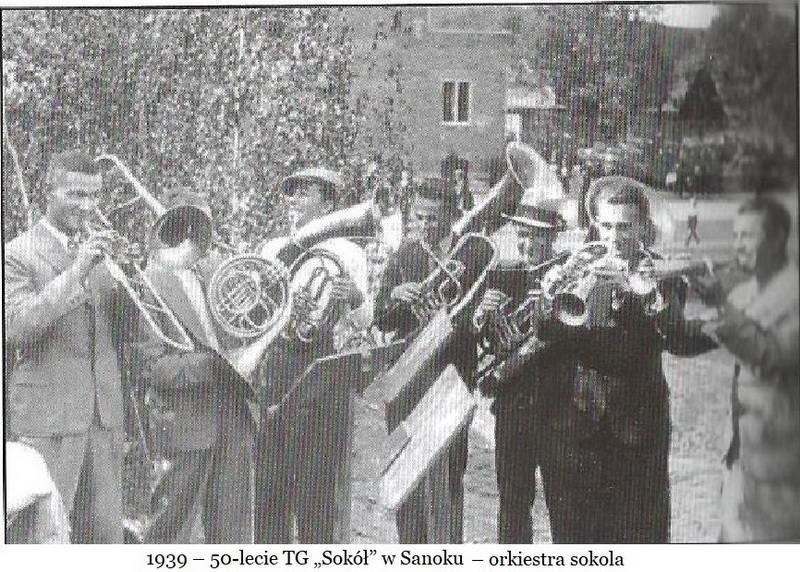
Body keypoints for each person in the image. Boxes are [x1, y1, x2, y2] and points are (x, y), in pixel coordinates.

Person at [534, 176, 713, 543]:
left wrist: (641, 295)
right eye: (607, 226)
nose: (614, 237)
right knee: (576, 540)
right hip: (578, 426)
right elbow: (546, 335)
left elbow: (681, 341)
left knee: (639, 538)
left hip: (639, 429)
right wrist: (549, 298)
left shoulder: (661, 274)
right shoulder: (578, 265)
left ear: (643, 226)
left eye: (624, 227)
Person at [5, 149, 128, 543]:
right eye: (76, 194)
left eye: (94, 196)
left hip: (102, 419)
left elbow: (124, 334)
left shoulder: (101, 254)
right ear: (49, 192)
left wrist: (133, 283)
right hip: (49, 420)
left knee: (106, 540)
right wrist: (77, 272)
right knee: (47, 539)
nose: (87, 206)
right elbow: (16, 326)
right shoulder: (17, 253)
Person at [254, 171, 368, 544]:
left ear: (329, 204)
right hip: (278, 369)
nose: (293, 200)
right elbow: (253, 311)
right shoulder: (273, 248)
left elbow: (365, 321)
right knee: (270, 487)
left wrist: (355, 298)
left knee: (316, 491)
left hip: (322, 377)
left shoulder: (349, 252)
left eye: (304, 193)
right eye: (292, 194)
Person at [136, 189, 254, 544]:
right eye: (193, 227)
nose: (204, 238)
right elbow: (152, 369)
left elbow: (236, 336)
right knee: (171, 533)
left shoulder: (213, 276)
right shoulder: (148, 283)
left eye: (205, 226)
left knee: (232, 534)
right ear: (174, 229)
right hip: (186, 422)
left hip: (232, 418)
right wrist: (210, 365)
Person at [374, 179, 477, 543]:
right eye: (419, 217)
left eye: (433, 218)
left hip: (451, 379)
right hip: (408, 383)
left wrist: (451, 316)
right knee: (405, 478)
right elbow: (381, 319)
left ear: (451, 215)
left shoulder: (471, 254)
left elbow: (480, 322)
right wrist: (395, 295)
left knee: (448, 481)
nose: (425, 226)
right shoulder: (404, 254)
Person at [691, 197, 799, 542]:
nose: (738, 245)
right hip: (743, 457)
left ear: (778, 239)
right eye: (735, 235)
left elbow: (771, 357)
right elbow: (699, 336)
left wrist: (721, 305)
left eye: (748, 236)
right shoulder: (746, 291)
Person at [471, 203, 567, 543]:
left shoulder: (568, 275)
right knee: (512, 504)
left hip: (559, 408)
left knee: (564, 505)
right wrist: (482, 315)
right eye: (522, 235)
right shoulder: (503, 274)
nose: (526, 244)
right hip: (512, 406)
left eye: (535, 237)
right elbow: (484, 341)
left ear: (552, 238)